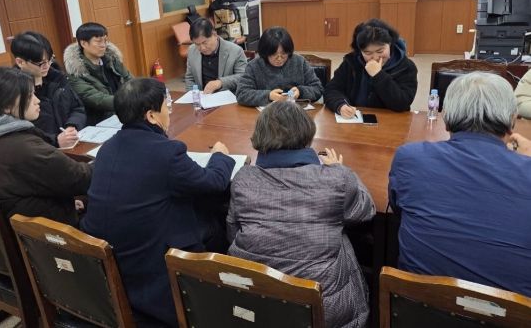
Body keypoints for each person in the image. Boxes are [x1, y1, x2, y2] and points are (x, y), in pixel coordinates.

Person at [80, 77, 235, 327]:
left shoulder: (107, 148)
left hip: (107, 257)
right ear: (151, 116)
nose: (169, 111)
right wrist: (220, 156)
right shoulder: (166, 153)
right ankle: (208, 300)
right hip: (150, 264)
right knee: (216, 216)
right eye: (166, 105)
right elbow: (214, 182)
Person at [227, 101, 375, 328]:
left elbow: (232, 232)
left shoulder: (243, 179)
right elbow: (365, 210)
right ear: (308, 136)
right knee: (343, 235)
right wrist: (342, 170)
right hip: (324, 312)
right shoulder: (335, 179)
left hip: (257, 305)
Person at [389, 72, 531, 297]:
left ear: (446, 118)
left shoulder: (410, 158)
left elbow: (397, 208)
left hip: (417, 307)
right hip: (511, 312)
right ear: (513, 120)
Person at [0, 67, 91, 227]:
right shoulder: (25, 148)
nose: (37, 100)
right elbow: (80, 179)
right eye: (29, 96)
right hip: (44, 231)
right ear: (6, 107)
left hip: (13, 222)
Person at [325, 19, 417, 118]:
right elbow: (332, 89)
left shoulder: (406, 67)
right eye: (368, 53)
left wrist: (378, 75)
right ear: (360, 51)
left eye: (380, 51)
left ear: (390, 44)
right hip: (355, 119)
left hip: (391, 121)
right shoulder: (351, 62)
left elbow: (402, 103)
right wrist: (340, 105)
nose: (375, 57)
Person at [11, 31, 85, 148]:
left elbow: (77, 108)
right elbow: (21, 134)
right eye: (40, 63)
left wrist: (72, 126)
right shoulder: (14, 90)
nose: (47, 66)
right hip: (43, 151)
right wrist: (55, 141)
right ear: (20, 62)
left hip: (70, 145)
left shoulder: (58, 79)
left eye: (50, 59)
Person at [64, 22, 132, 125]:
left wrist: (139, 95)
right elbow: (97, 99)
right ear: (83, 43)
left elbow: (129, 80)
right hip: (100, 121)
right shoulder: (76, 71)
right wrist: (131, 101)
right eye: (98, 41)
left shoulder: (112, 60)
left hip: (123, 113)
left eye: (105, 40)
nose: (103, 45)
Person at [235, 27, 323, 107]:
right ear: (265, 52)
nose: (279, 59)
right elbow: (242, 94)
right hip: (266, 115)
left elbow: (318, 88)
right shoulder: (254, 66)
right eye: (274, 54)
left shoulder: (299, 62)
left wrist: (301, 91)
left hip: (296, 113)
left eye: (284, 54)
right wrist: (268, 96)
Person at [184, 18, 248, 94]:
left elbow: (243, 77)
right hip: (203, 97)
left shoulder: (235, 51)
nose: (202, 48)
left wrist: (220, 82)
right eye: (197, 44)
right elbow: (190, 78)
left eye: (204, 43)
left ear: (215, 35)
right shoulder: (192, 50)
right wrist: (193, 96)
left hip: (227, 97)